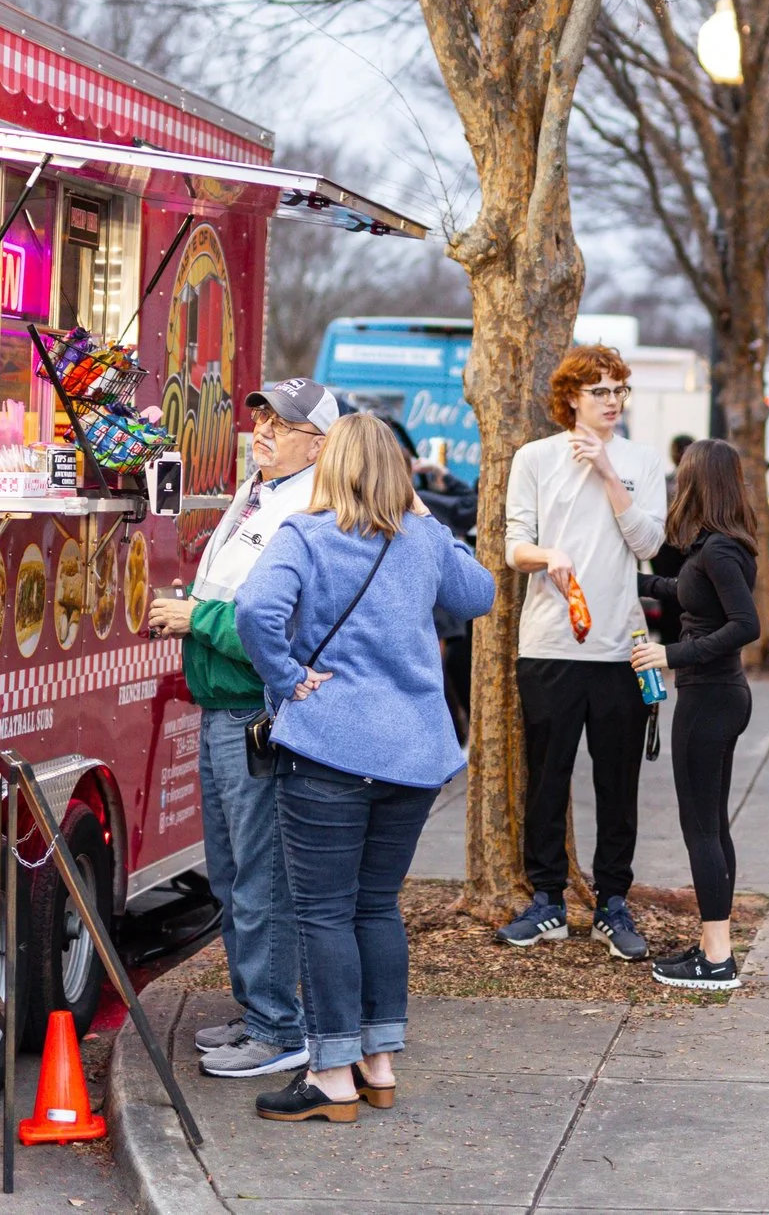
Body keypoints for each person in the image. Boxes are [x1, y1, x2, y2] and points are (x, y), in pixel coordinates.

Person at [235, 413, 498, 1122]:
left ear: (330, 465)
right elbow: (481, 594)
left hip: (329, 749)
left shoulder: (307, 535)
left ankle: (331, 1074)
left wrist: (288, 678)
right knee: (375, 905)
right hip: (414, 754)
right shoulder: (421, 542)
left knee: (322, 910)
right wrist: (426, 519)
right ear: (399, 472)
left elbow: (255, 609)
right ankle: (378, 1063)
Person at [148, 376, 335, 1080]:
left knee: (258, 877)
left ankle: (278, 1027)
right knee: (232, 875)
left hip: (256, 711)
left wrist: (195, 618)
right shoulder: (262, 491)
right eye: (261, 417)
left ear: (317, 442)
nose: (262, 430)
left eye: (281, 424)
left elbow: (284, 628)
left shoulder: (309, 508)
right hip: (228, 706)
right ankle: (261, 1011)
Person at [498, 345, 669, 959]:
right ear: (571, 398)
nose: (612, 401)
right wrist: (550, 556)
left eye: (619, 390)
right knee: (546, 776)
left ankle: (612, 903)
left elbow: (650, 542)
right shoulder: (535, 459)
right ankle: (546, 900)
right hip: (549, 643)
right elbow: (515, 547)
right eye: (599, 391)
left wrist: (605, 474)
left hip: (620, 648)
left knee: (618, 781)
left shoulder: (641, 462)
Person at [631, 440, 762, 990]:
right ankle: (716, 946)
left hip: (711, 698)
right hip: (717, 697)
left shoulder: (720, 551)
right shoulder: (717, 546)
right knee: (711, 826)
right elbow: (686, 594)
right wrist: (626, 581)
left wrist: (671, 654)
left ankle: (715, 960)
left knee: (702, 829)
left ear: (697, 483)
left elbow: (745, 625)